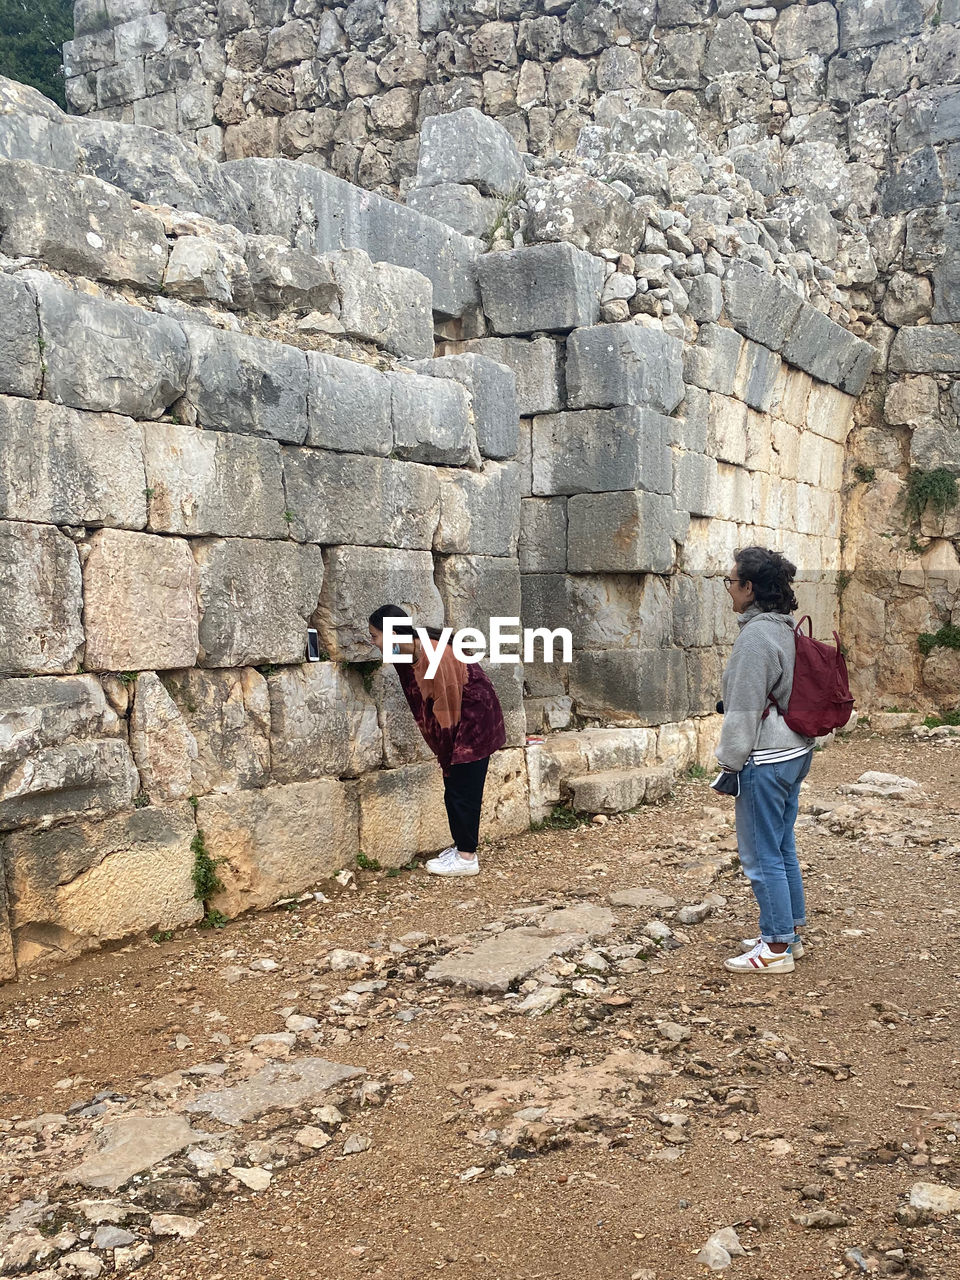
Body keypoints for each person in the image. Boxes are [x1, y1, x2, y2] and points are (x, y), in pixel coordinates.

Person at [715, 547, 816, 975]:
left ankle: (775, 948)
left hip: (767, 757)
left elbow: (743, 710)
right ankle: (788, 931)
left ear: (749, 587)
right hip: (795, 750)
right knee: (782, 846)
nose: (728, 588)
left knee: (760, 856)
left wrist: (729, 765)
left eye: (731, 580)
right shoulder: (782, 629)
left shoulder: (755, 638)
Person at [368, 605, 506, 878]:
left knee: (462, 789)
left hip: (473, 720)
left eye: (374, 635)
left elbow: (448, 706)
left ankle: (467, 858)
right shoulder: (404, 649)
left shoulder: (436, 656)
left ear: (392, 633)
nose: (371, 642)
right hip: (457, 717)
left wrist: (448, 753)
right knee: (454, 786)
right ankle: (461, 848)